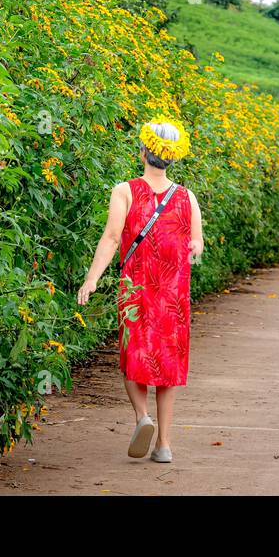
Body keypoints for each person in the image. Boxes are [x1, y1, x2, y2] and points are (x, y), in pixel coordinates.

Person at [77, 119, 203, 463]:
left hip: (136, 291)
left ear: (143, 151)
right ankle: (164, 446)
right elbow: (197, 244)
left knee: (133, 357)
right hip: (174, 297)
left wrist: (92, 278)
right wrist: (192, 249)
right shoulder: (186, 197)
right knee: (168, 366)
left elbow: (112, 237)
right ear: (173, 158)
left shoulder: (126, 191)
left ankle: (141, 417)